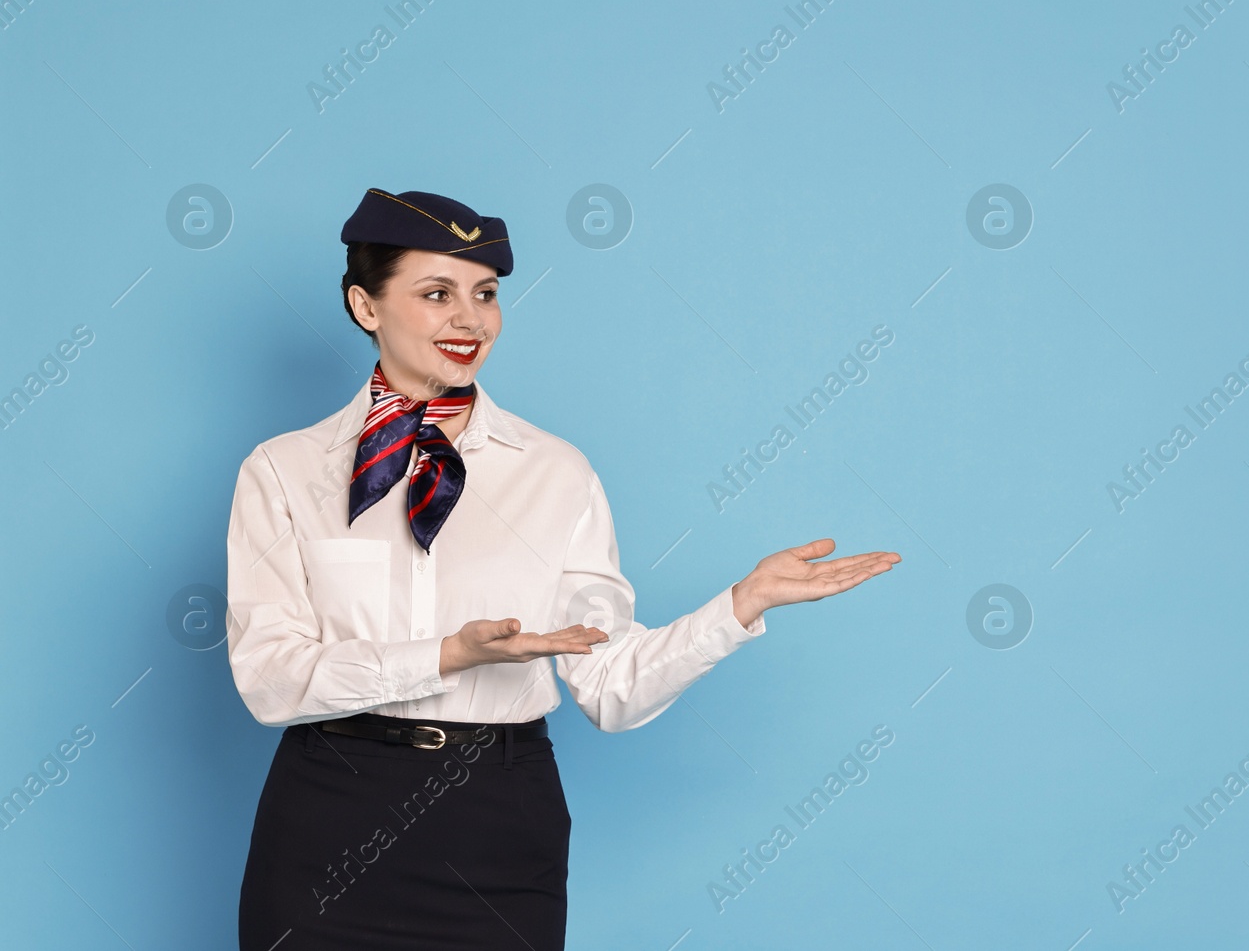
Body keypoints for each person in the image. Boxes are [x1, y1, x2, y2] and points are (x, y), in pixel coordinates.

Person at [227, 188, 901, 950]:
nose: (470, 319)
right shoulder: (284, 470)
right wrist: (449, 655)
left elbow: (612, 687)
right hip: (329, 815)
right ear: (366, 305)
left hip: (497, 821)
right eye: (437, 293)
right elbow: (270, 677)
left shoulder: (557, 472)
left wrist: (738, 606)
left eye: (485, 294)